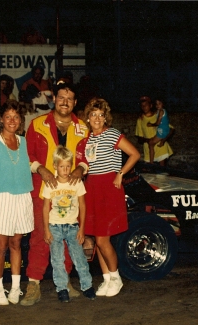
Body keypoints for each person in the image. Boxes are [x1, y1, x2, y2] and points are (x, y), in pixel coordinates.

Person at [21, 80, 89, 306]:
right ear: (54, 100)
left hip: (70, 196)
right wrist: (41, 169)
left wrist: (81, 168)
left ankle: (66, 282)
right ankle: (33, 285)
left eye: (69, 99)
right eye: (61, 98)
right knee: (41, 237)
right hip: (44, 193)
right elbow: (27, 156)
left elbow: (87, 158)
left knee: (70, 238)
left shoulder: (83, 128)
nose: (65, 102)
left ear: (75, 103)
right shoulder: (37, 124)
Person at [76, 98, 140, 297]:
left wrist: (120, 173)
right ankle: (106, 279)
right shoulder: (86, 140)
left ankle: (116, 277)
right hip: (92, 188)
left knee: (103, 239)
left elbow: (135, 154)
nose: (97, 118)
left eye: (101, 115)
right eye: (93, 115)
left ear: (106, 118)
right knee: (96, 238)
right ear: (87, 118)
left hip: (108, 188)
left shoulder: (112, 134)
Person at [0, 99, 34, 305]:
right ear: (1, 120)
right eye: (8, 117)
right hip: (0, 200)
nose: (12, 120)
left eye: (16, 117)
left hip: (22, 198)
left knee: (16, 244)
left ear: (20, 121)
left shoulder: (24, 142)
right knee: (0, 247)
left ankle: (15, 288)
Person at [43, 145, 95, 302]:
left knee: (79, 257)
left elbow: (83, 205)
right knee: (57, 259)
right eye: (61, 167)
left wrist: (82, 229)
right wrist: (46, 230)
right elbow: (46, 208)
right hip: (55, 226)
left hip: (73, 226)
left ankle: (87, 285)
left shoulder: (76, 183)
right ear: (55, 166)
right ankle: (62, 288)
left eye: (68, 166)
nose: (65, 170)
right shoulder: (50, 184)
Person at [135, 96, 174, 166]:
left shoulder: (157, 115)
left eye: (146, 105)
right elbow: (140, 139)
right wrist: (148, 140)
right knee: (149, 175)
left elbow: (171, 129)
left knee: (162, 174)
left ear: (151, 105)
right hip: (149, 152)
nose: (144, 107)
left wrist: (163, 140)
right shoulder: (140, 120)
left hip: (161, 149)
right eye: (142, 106)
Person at [146, 97, 170, 164]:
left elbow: (158, 123)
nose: (157, 105)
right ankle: (151, 162)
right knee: (151, 141)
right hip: (162, 130)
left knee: (150, 143)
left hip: (163, 131)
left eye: (159, 104)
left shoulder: (161, 111)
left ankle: (151, 163)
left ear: (163, 104)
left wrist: (151, 124)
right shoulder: (159, 111)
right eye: (156, 104)